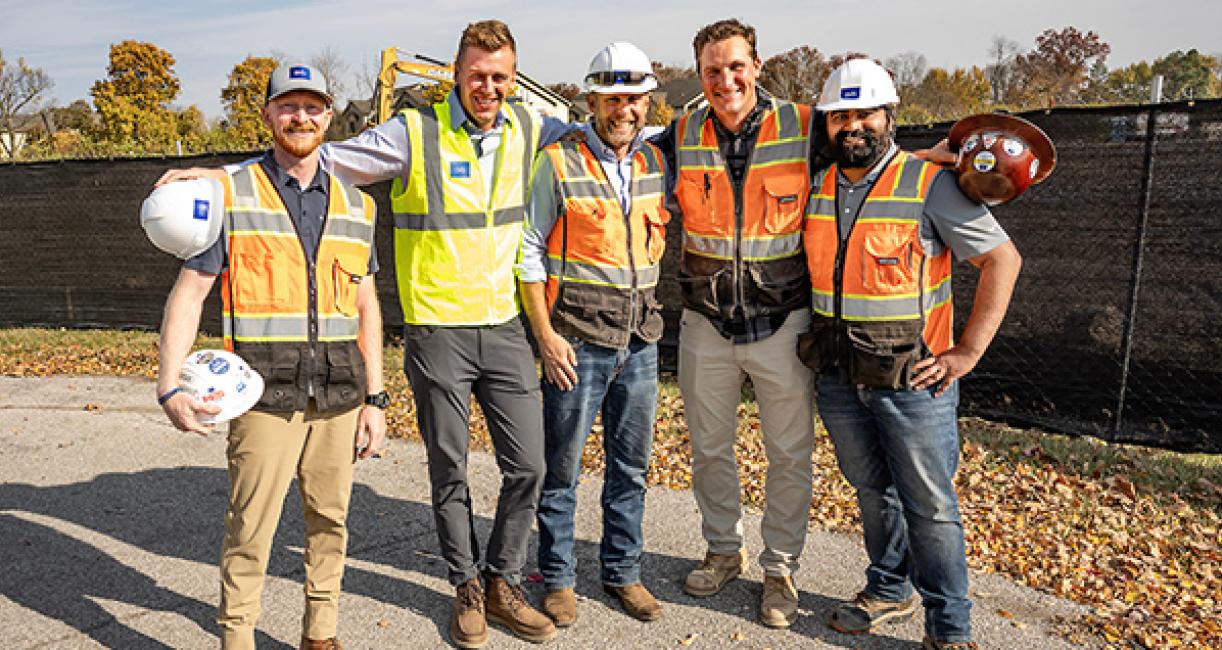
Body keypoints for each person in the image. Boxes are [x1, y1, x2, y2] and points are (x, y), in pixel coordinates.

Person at [160, 21, 575, 649]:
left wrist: (373, 398)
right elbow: (311, 156)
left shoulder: (532, 128)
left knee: (528, 468)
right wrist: (221, 172)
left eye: (500, 76)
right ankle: (464, 586)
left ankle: (501, 582)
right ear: (455, 75)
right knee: (440, 471)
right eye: (477, 74)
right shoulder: (414, 131)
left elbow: (606, 134)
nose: (488, 86)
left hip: (496, 328)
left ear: (513, 78)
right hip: (426, 334)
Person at [155, 63, 387, 650]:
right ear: (267, 115)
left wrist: (377, 398)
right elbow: (190, 293)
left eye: (312, 107)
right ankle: (237, 638)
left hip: (338, 396)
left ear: (329, 117)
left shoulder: (358, 207)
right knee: (251, 529)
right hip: (264, 396)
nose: (301, 117)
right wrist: (168, 385)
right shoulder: (230, 194)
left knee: (330, 524)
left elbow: (366, 307)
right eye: (288, 106)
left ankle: (322, 635)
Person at [801, 58, 1022, 650]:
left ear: (888, 117)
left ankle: (950, 628)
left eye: (865, 113)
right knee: (873, 490)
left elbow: (1002, 260)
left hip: (914, 379)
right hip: (842, 375)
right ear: (827, 123)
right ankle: (888, 588)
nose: (853, 125)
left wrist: (968, 351)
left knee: (930, 505)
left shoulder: (932, 186)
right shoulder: (819, 183)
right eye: (841, 115)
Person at [649, 18, 815, 629]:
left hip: (783, 321)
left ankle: (779, 569)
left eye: (735, 66)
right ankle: (723, 550)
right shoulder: (681, 133)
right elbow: (611, 149)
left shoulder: (803, 125)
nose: (726, 80)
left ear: (757, 65)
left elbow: (869, 157)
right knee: (711, 449)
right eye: (712, 71)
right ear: (699, 75)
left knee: (789, 453)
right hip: (706, 322)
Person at [517, 42, 669, 627]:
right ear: (592, 100)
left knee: (630, 467)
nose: (624, 110)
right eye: (612, 99)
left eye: (634, 99)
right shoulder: (557, 163)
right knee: (563, 468)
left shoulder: (657, 162)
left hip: (640, 340)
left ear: (648, 101)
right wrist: (545, 335)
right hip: (576, 340)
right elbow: (529, 249)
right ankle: (557, 579)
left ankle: (623, 572)